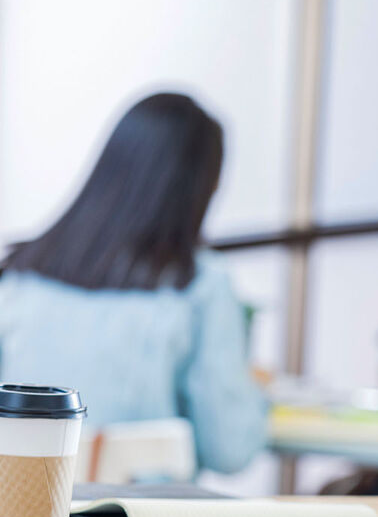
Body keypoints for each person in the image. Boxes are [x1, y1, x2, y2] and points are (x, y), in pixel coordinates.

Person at [0, 92, 267, 474]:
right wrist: (257, 397)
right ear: (198, 189)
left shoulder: (19, 276)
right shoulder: (199, 285)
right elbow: (230, 449)